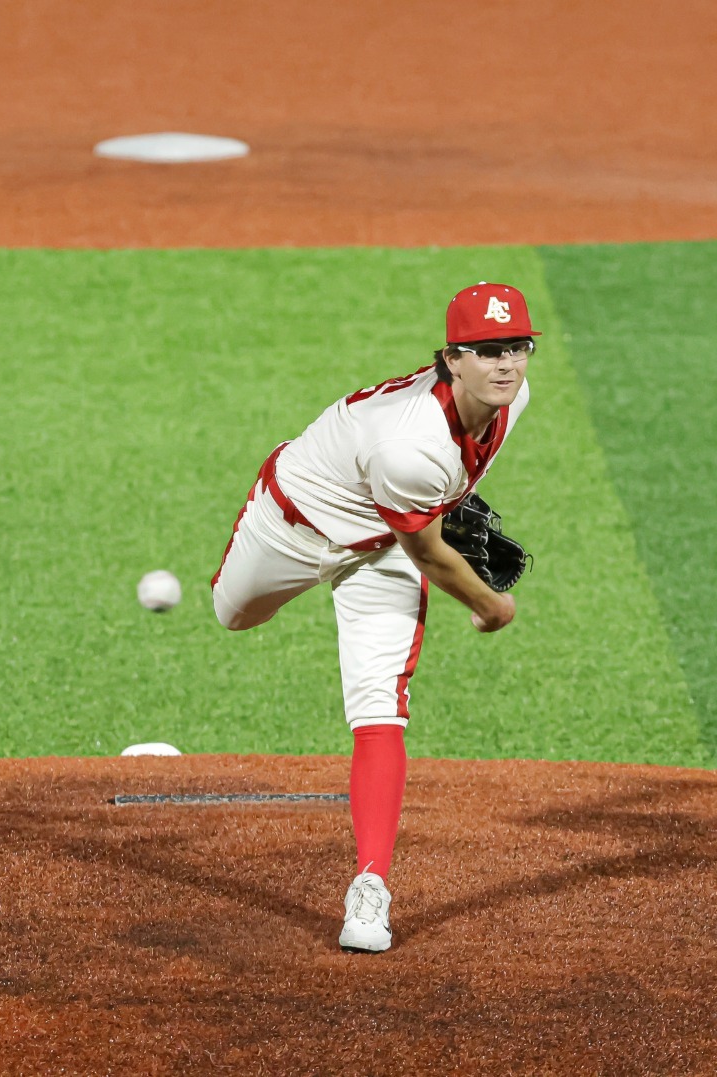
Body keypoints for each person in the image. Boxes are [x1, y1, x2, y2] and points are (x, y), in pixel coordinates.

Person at [211, 282, 536, 952]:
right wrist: (491, 604)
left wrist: (436, 511)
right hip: (292, 524)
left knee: (379, 708)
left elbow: (419, 535)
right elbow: (430, 549)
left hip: (382, 550)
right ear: (451, 358)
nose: (506, 365)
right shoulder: (408, 445)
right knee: (232, 614)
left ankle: (370, 887)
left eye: (518, 347)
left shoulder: (513, 401)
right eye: (487, 351)